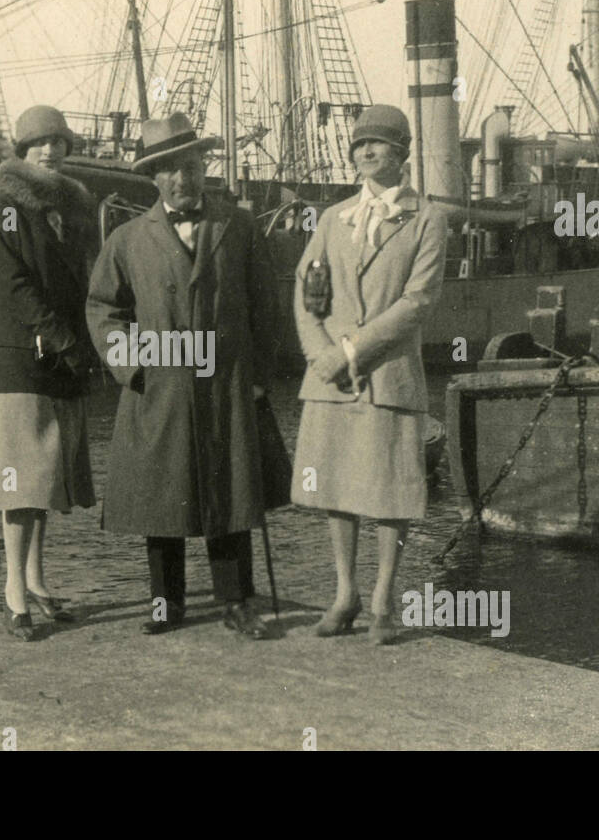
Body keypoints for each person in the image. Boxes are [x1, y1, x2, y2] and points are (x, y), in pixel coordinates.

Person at [86, 113, 278, 639]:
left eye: (189, 166)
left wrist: (258, 377)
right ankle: (165, 604)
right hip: (162, 385)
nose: (181, 179)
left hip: (225, 384)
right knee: (162, 498)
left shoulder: (238, 228)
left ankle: (238, 602)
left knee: (231, 493)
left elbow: (267, 307)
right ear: (154, 178)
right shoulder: (128, 239)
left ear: (203, 166)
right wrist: (133, 365)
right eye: (168, 170)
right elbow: (102, 309)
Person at [291, 104, 448, 644]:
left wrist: (350, 351)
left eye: (377, 144)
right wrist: (320, 355)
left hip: (388, 375)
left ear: (401, 153)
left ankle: (382, 597)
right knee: (335, 487)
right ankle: (344, 594)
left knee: (389, 493)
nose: (366, 153)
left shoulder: (426, 218)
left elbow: (418, 301)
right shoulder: (333, 219)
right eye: (359, 145)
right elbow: (305, 291)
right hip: (332, 378)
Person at [0, 105, 99, 641]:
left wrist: (79, 340)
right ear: (21, 150)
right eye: (39, 143)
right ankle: (13, 592)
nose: (50, 151)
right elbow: (14, 283)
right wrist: (67, 339)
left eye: (58, 142)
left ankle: (38, 583)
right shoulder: (5, 203)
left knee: (43, 477)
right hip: (22, 355)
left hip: (59, 354)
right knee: (20, 480)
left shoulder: (69, 206)